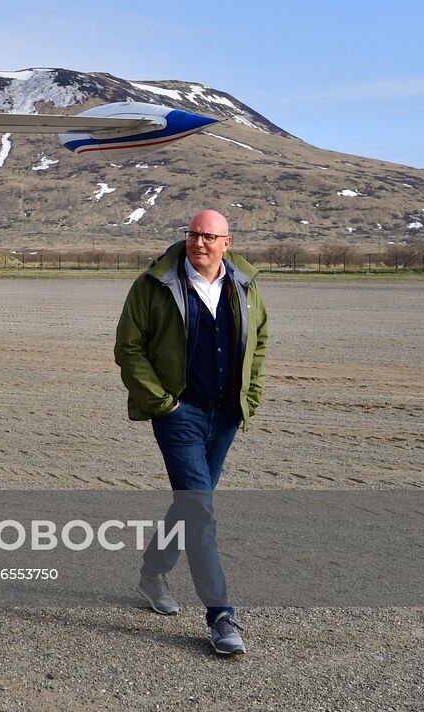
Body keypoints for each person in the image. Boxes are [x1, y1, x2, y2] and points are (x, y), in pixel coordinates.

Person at [114, 209, 268, 656]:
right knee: (200, 509)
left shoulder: (244, 285)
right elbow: (128, 348)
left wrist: (249, 398)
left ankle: (153, 571)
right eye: (193, 234)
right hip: (179, 413)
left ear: (227, 242)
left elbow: (258, 343)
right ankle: (221, 616)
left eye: (209, 236)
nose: (199, 243)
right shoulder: (154, 285)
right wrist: (163, 403)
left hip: (224, 416)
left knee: (192, 503)